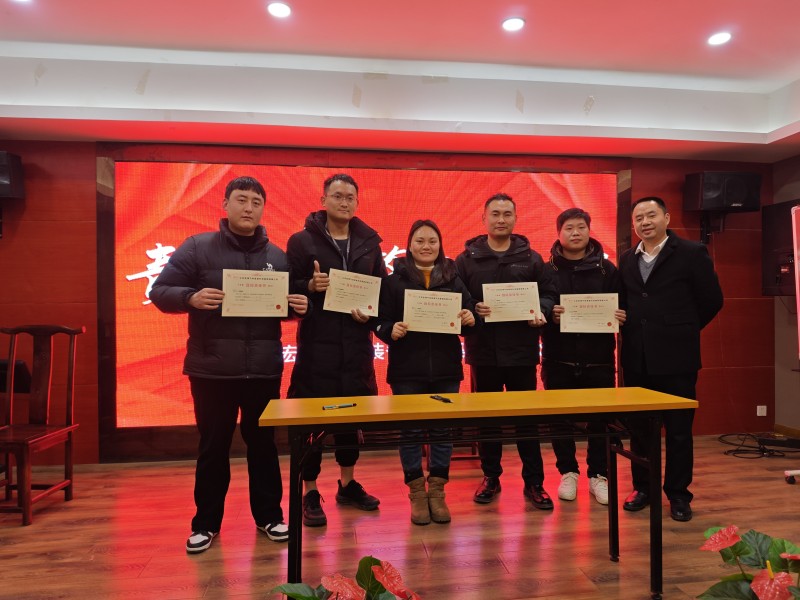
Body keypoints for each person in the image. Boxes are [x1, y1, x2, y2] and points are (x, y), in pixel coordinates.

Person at [150, 176, 308, 553]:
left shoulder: (278, 257)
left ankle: (270, 516)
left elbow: (281, 305)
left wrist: (298, 307)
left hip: (263, 369)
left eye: (256, 201)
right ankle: (205, 523)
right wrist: (189, 297)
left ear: (263, 209)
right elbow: (159, 291)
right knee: (213, 447)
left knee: (264, 446)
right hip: (212, 371)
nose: (248, 208)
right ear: (225, 204)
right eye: (241, 199)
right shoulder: (197, 247)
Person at [286, 173, 387, 527]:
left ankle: (347, 483)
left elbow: (381, 291)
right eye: (337, 196)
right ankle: (310, 490)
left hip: (357, 345)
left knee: (351, 418)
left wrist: (371, 314)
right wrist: (309, 285)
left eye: (350, 197)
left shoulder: (369, 244)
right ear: (324, 200)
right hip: (318, 346)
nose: (344, 202)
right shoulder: (302, 241)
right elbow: (287, 287)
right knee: (313, 419)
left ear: (357, 202)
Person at [618, 196, 723, 522]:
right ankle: (643, 488)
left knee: (678, 431)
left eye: (651, 215)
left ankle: (678, 494)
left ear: (666, 217)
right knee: (639, 430)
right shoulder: (627, 258)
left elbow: (712, 300)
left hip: (678, 358)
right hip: (636, 358)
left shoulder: (692, 253)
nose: (645, 222)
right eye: (639, 218)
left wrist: (683, 329)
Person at [455, 193, 558, 509]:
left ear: (515, 218)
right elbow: (457, 297)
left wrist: (541, 309)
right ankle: (490, 477)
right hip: (483, 352)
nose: (501, 219)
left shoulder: (532, 258)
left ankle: (535, 482)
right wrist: (473, 306)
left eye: (507, 214)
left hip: (521, 352)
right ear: (483, 219)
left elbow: (549, 294)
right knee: (488, 420)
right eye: (495, 214)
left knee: (527, 420)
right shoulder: (466, 260)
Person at [374, 219, 476, 525]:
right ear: (409, 245)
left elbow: (470, 315)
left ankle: (438, 491)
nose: (426, 246)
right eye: (420, 241)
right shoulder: (394, 281)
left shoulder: (453, 278)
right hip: (407, 371)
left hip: (446, 369)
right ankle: (417, 492)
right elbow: (380, 320)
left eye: (432, 241)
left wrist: (469, 317)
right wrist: (390, 329)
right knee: (410, 432)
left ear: (440, 245)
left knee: (443, 431)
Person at [541, 207, 626, 506]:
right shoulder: (546, 270)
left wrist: (620, 315)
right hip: (558, 359)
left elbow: (622, 306)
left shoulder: (607, 270)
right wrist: (549, 314)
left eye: (580, 227)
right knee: (559, 421)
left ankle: (598, 475)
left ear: (589, 231)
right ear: (559, 233)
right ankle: (568, 472)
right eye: (568, 228)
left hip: (599, 359)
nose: (575, 233)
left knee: (600, 421)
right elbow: (537, 308)